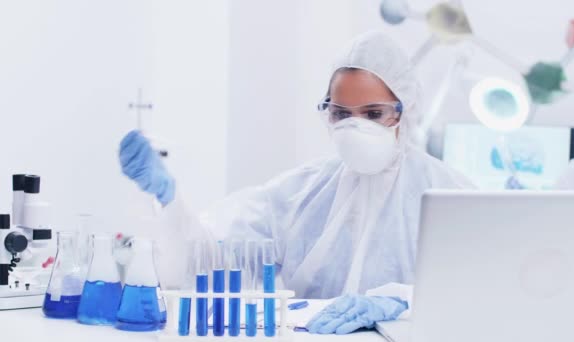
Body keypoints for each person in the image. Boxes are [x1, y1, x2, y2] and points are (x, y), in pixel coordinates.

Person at [119, 31, 473, 334]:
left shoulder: (448, 194)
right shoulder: (302, 192)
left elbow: (485, 290)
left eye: (373, 114)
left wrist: (401, 302)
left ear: (405, 110)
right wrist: (170, 201)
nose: (355, 127)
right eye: (341, 113)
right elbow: (210, 261)